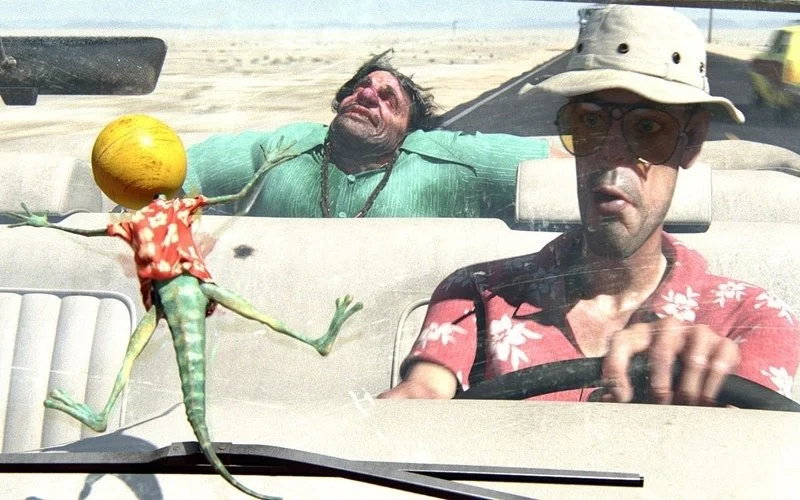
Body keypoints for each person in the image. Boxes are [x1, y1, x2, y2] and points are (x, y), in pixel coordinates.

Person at [380, 5, 799, 405]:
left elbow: (756, 442)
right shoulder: (478, 294)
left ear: (690, 142)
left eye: (648, 127)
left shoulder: (752, 318)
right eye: (590, 123)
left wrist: (706, 390)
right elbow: (421, 396)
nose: (610, 157)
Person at [182, 49, 551, 224]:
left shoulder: (448, 158)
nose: (368, 94)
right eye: (360, 87)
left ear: (410, 130)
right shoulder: (284, 147)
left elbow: (555, 158)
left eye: (388, 98)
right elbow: (180, 167)